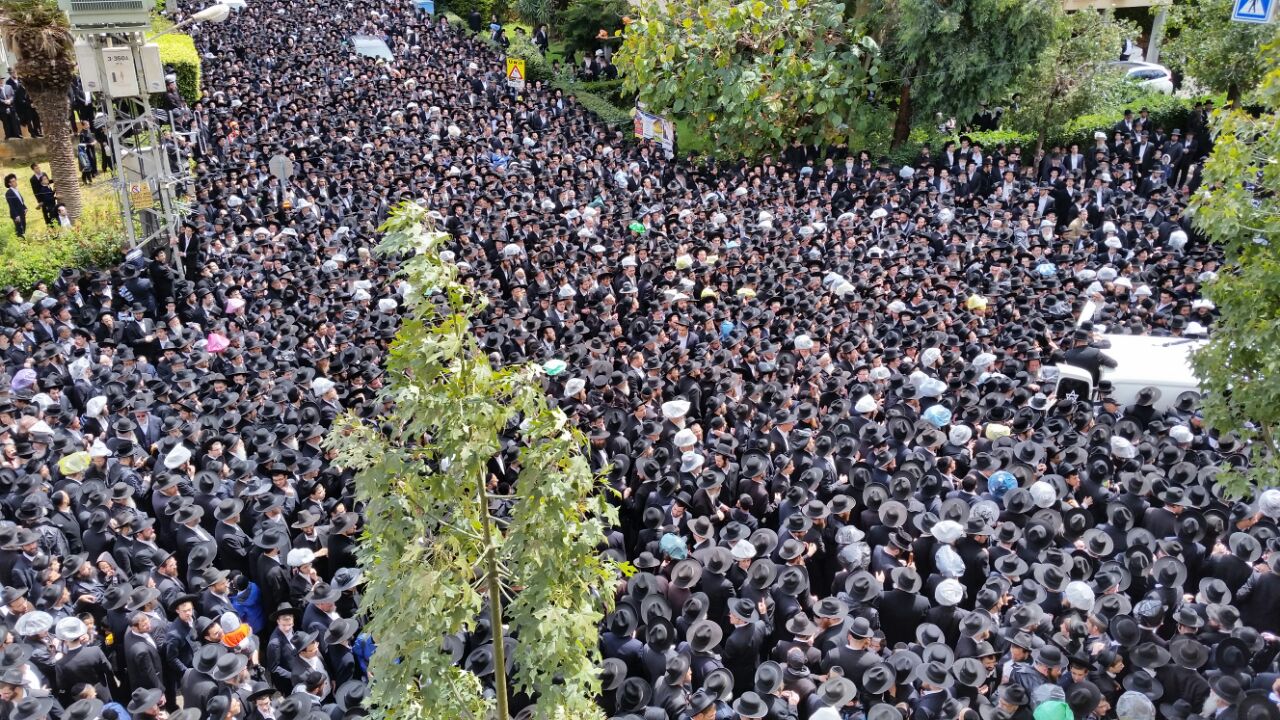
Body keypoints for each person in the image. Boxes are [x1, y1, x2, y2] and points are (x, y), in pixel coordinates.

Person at [4, 173, 26, 237]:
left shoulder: (16, 190)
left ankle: (23, 244)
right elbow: (11, 205)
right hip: (17, 215)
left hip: (21, 212)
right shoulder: (9, 193)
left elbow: (20, 201)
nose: (15, 182)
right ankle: (21, 245)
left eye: (15, 180)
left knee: (23, 229)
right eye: (13, 181)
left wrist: (25, 207)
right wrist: (16, 216)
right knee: (20, 231)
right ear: (9, 184)